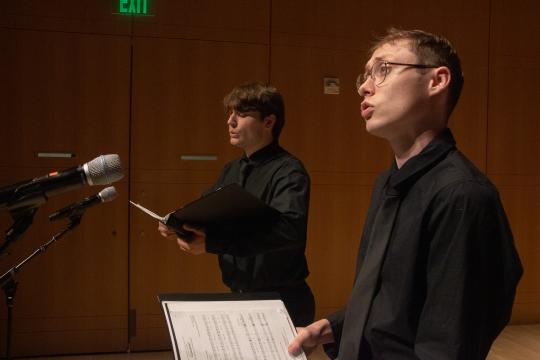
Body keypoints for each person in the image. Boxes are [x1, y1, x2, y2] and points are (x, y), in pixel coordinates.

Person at [288, 28, 523, 359]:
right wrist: (329, 327)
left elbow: (448, 346)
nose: (363, 86)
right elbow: (390, 304)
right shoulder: (388, 183)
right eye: (365, 74)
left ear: (437, 81)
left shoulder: (463, 195)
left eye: (382, 69)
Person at [158, 82, 315, 327]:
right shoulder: (231, 170)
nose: (230, 122)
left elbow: (289, 231)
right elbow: (205, 214)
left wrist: (212, 243)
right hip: (240, 295)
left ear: (268, 122)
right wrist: (177, 224)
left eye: (241, 115)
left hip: (281, 300)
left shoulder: (289, 171)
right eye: (230, 114)